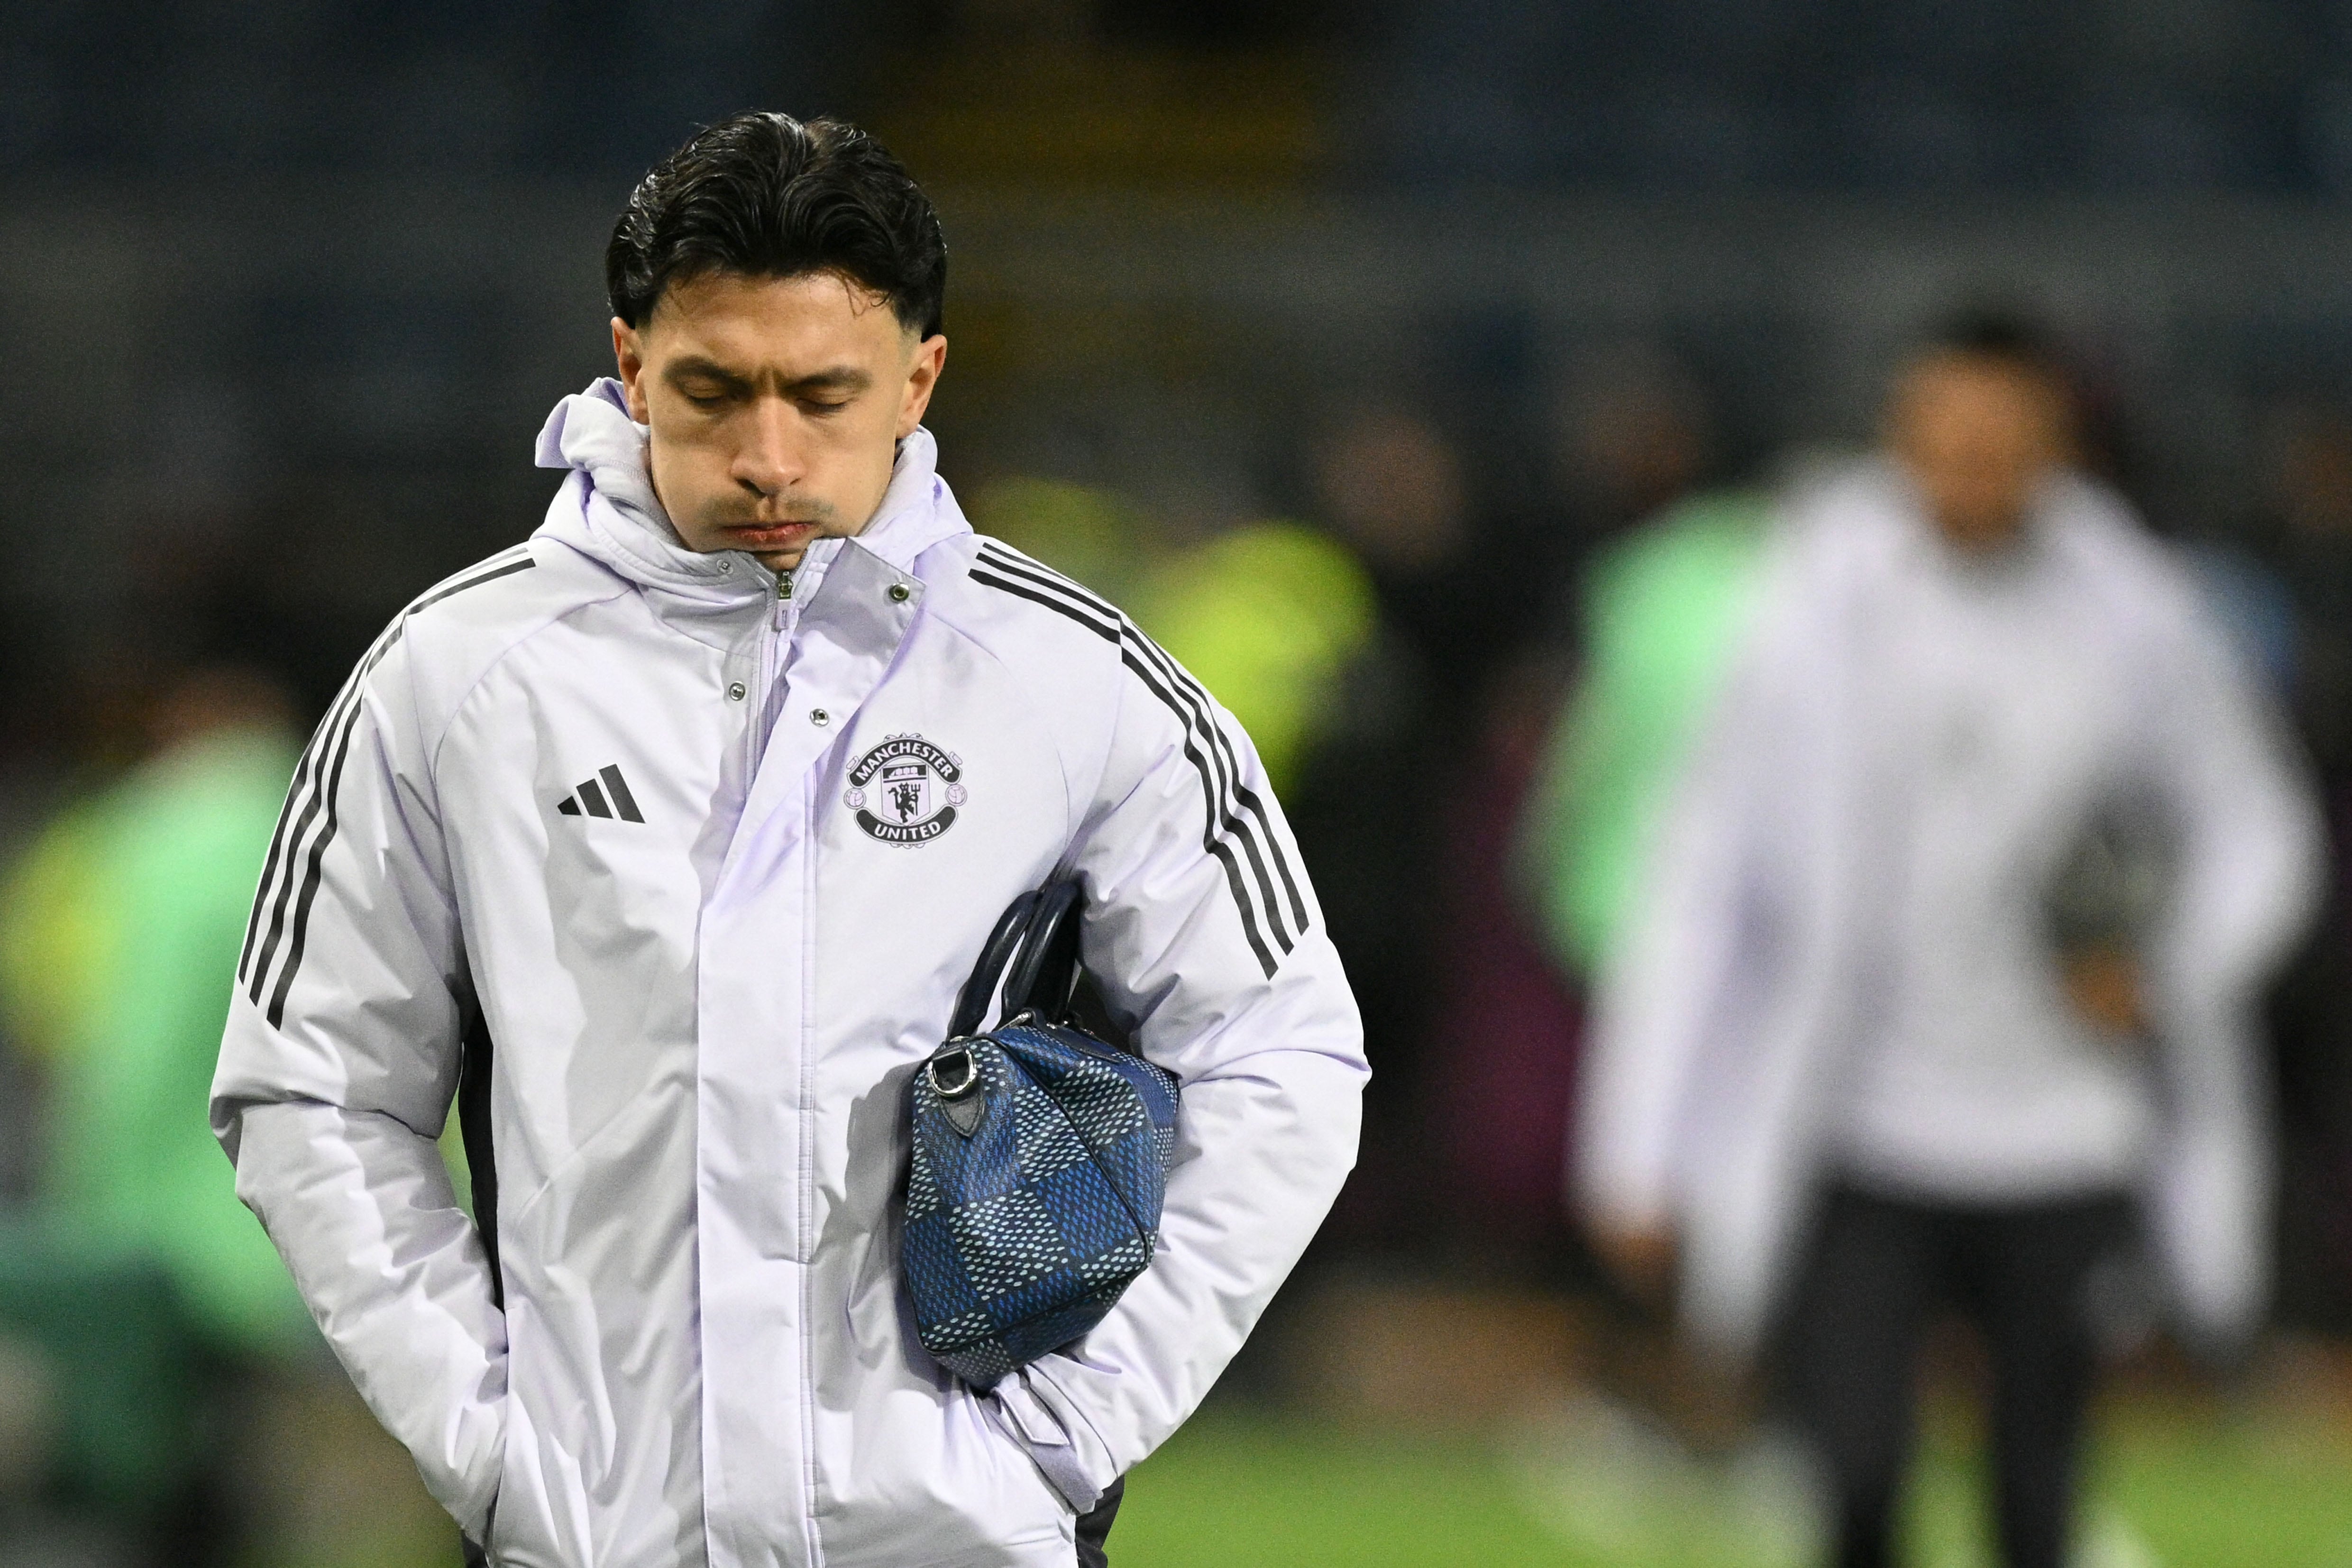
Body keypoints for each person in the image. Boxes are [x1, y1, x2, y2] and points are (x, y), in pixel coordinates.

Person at [209, 112, 1366, 1568]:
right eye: (712, 391)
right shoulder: (457, 677)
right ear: (629, 366)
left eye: (823, 395)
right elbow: (310, 1091)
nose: (768, 456)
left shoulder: (1075, 681)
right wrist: (495, 1444)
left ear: (919, 378)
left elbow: (1286, 1058)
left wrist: (1058, 1435)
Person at [1576, 316, 2319, 1568]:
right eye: (1940, 446)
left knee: (2037, 1493)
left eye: (1998, 449)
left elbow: (2260, 836)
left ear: (2054, 450)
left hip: (2064, 1131)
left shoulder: (2136, 617)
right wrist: (1640, 1139)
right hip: (1861, 1128)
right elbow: (1704, 877)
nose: (1966, 477)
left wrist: (2166, 971)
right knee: (1854, 1478)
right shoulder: (1810, 609)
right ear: (1897, 440)